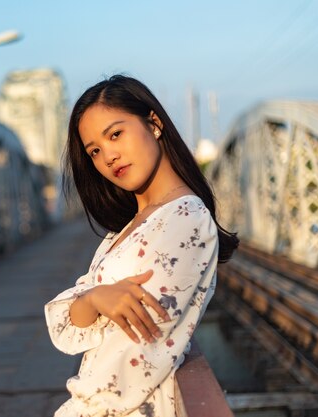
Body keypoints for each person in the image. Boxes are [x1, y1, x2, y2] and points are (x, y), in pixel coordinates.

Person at [44, 74, 239, 417]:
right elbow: (65, 320)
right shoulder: (123, 231)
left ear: (154, 123)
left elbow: (137, 345)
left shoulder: (185, 217)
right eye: (94, 151)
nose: (108, 157)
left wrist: (92, 302)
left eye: (115, 134)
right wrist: (94, 298)